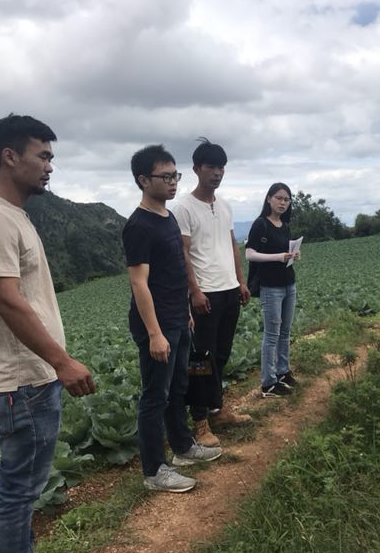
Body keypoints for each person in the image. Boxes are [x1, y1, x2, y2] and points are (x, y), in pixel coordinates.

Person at [0, 114, 96, 553]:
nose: (50, 166)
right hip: (22, 383)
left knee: (26, 486)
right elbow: (7, 301)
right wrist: (62, 361)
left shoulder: (12, 216)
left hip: (31, 380)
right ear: (9, 156)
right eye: (43, 156)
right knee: (18, 490)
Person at [122, 144, 222, 493]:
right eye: (165, 177)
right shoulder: (138, 226)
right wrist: (154, 333)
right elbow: (139, 282)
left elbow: (176, 269)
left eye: (174, 175)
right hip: (157, 324)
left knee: (178, 387)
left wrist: (186, 313)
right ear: (143, 180)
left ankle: (182, 447)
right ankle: (154, 471)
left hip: (179, 318)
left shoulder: (168, 217)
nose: (173, 182)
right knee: (155, 396)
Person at [171, 138, 252, 448]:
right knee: (200, 360)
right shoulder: (183, 207)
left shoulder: (225, 205)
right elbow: (183, 253)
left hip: (229, 290)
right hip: (205, 293)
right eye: (211, 167)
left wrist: (241, 281)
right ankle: (200, 421)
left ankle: (217, 409)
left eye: (221, 167)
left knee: (220, 355)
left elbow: (232, 244)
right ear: (196, 169)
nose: (217, 173)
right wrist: (194, 292)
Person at [246, 183, 301, 398]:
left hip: (288, 283)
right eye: (279, 198)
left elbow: (284, 251)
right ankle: (268, 383)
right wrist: (278, 257)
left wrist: (293, 255)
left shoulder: (284, 225)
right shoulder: (260, 224)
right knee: (272, 335)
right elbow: (250, 254)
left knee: (285, 332)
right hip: (270, 286)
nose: (282, 202)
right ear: (269, 199)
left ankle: (283, 372)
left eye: (286, 199)